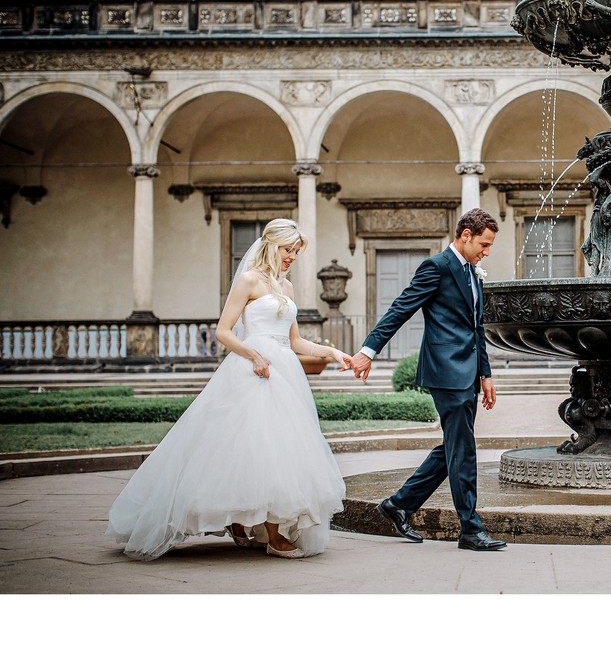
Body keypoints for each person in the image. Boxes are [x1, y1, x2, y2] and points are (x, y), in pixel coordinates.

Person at [106, 219, 351, 561]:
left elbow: (295, 341)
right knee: (248, 447)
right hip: (252, 371)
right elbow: (223, 331)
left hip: (284, 373)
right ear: (270, 245)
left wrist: (333, 352)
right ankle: (271, 533)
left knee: (279, 449)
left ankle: (253, 525)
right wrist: (253, 354)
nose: (292, 257)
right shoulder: (250, 280)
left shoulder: (288, 287)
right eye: (288, 250)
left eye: (296, 251)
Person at [350, 208, 505, 551]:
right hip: (445, 372)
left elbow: (476, 328)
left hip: (468, 373)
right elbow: (400, 308)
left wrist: (486, 374)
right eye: (484, 243)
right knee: (462, 448)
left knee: (455, 445)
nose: (486, 252)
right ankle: (470, 528)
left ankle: (400, 504)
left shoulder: (471, 273)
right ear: (466, 235)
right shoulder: (436, 267)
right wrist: (368, 350)